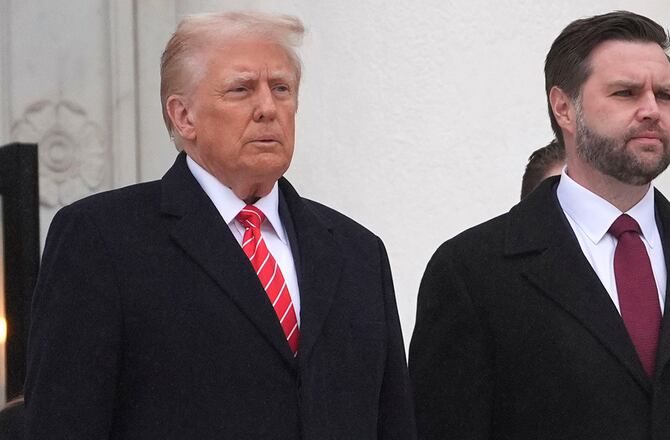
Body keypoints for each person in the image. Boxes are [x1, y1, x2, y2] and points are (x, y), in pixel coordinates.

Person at [25, 11, 416, 439]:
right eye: (241, 89)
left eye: (281, 89)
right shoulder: (102, 239)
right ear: (183, 116)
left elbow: (392, 421)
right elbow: (63, 421)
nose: (268, 108)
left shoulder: (357, 251)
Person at [410, 10, 670, 439]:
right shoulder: (473, 271)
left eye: (664, 94)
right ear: (564, 107)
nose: (651, 111)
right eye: (625, 93)